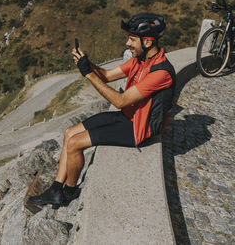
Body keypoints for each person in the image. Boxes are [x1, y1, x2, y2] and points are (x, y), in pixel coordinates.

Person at [29, 12, 176, 208]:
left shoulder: (161, 73)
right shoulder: (140, 61)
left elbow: (121, 100)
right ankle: (56, 189)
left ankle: (69, 191)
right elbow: (106, 75)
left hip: (139, 130)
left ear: (148, 42)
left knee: (74, 143)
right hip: (127, 118)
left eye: (132, 39)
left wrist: (88, 74)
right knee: (69, 132)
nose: (128, 43)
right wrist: (86, 63)